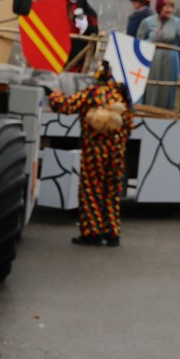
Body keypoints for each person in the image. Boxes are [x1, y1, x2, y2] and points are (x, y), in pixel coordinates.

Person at [47, 61, 132, 247]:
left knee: (91, 190)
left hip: (95, 151)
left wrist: (52, 94)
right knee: (112, 193)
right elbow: (129, 123)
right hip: (117, 152)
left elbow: (66, 105)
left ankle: (92, 233)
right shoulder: (120, 94)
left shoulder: (91, 93)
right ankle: (112, 233)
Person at [135, 0, 180, 112]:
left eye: (171, 7)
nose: (169, 10)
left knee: (169, 86)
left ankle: (171, 110)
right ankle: (148, 108)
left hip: (170, 59)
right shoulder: (147, 22)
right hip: (152, 59)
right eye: (166, 7)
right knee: (152, 85)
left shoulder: (177, 23)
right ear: (159, 7)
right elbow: (139, 41)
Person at [62, 0, 99, 72]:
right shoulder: (61, 5)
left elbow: (95, 31)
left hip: (78, 46)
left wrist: (86, 27)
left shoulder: (88, 10)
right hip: (61, 43)